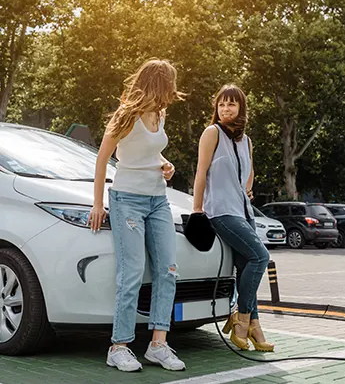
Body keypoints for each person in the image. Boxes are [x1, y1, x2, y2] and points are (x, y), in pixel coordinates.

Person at [88, 59, 186, 372]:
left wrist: (165, 163)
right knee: (132, 272)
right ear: (158, 83)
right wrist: (98, 203)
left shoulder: (160, 113)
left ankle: (158, 344)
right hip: (127, 199)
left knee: (168, 270)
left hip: (158, 199)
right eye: (169, 84)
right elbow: (103, 159)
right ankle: (118, 346)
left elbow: (148, 151)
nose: (172, 91)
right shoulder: (125, 115)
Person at [192, 84, 274, 352]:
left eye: (232, 104)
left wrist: (247, 188)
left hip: (244, 211)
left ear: (241, 108)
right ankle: (243, 319)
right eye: (221, 105)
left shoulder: (246, 140)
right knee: (260, 257)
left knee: (247, 269)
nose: (226, 109)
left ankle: (253, 326)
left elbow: (248, 173)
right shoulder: (211, 133)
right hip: (221, 210)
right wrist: (197, 209)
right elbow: (201, 172)